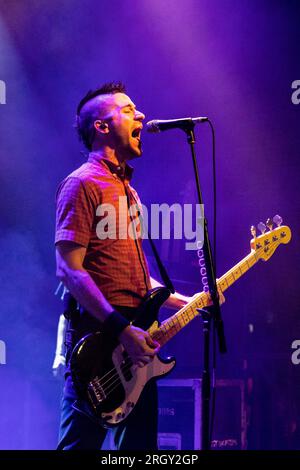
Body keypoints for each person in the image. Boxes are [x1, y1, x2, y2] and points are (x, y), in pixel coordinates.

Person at [55, 82, 195, 450]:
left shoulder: (128, 191)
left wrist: (188, 302)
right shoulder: (81, 184)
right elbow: (69, 270)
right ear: (102, 126)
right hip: (101, 343)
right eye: (130, 110)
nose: (142, 116)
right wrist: (121, 330)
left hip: (138, 345)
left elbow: (134, 277)